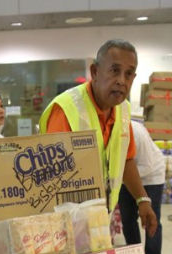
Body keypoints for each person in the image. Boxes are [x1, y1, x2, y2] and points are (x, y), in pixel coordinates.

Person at [39, 39, 158, 242]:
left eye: (129, 74)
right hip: (65, 225)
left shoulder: (122, 110)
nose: (122, 80)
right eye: (114, 70)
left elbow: (126, 159)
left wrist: (142, 198)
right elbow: (50, 178)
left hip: (100, 218)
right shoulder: (66, 109)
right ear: (95, 72)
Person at [118, 120, 166, 254]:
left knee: (151, 221)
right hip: (124, 176)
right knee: (127, 220)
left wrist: (141, 199)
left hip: (151, 174)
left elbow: (146, 165)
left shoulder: (135, 132)